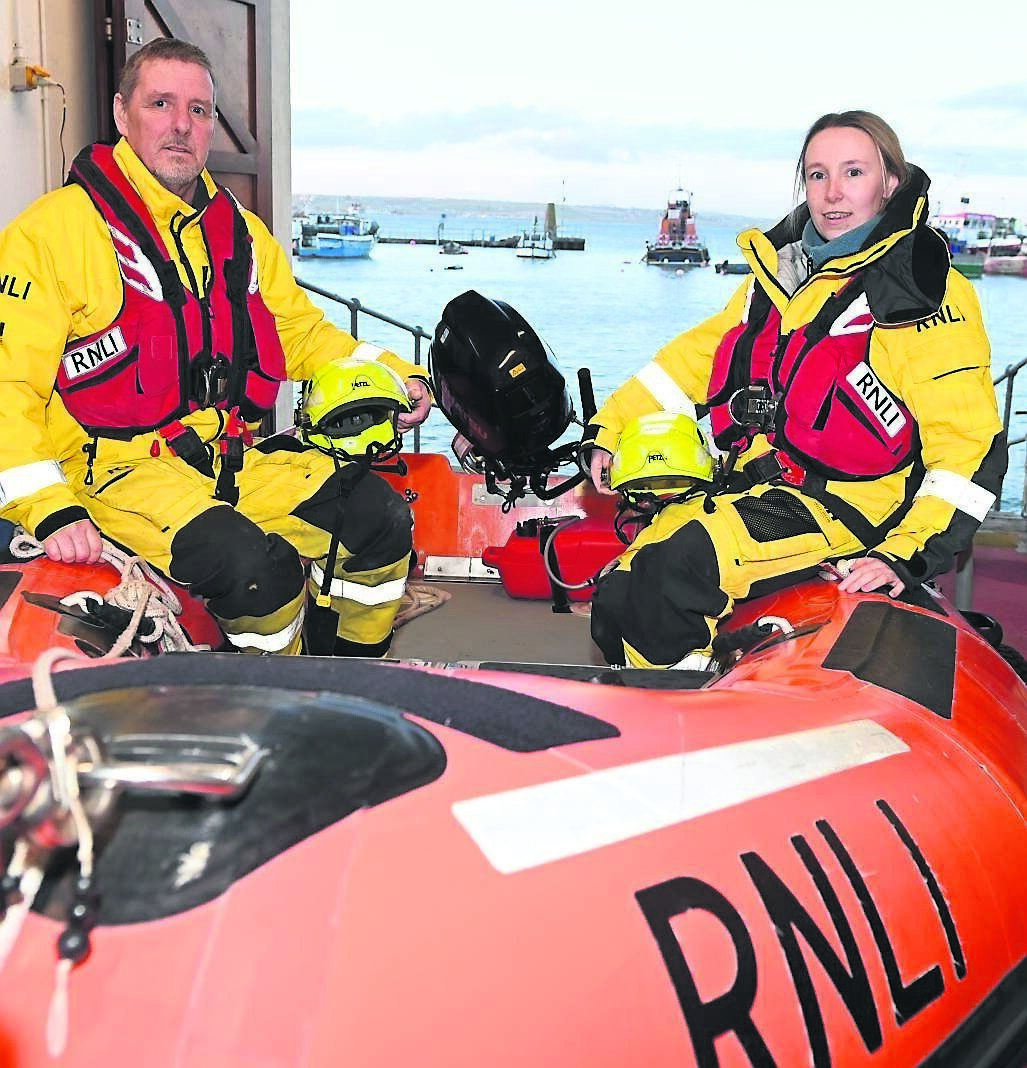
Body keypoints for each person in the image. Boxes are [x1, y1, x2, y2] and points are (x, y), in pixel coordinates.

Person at [0, 37, 432, 656]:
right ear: (122, 115)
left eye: (199, 110)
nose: (181, 125)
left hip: (225, 457)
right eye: (161, 104)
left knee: (380, 518)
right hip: (114, 474)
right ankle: (273, 709)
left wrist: (395, 376)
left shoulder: (241, 234)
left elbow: (301, 333)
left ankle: (352, 672)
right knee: (263, 576)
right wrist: (48, 509)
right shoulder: (51, 234)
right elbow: (6, 386)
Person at [585, 110, 1006, 670]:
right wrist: (609, 430)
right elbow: (687, 364)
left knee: (673, 576)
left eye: (853, 173)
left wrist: (905, 555)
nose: (833, 193)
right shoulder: (779, 276)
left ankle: (692, 728)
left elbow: (969, 448)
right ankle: (668, 706)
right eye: (817, 175)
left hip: (854, 508)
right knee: (619, 593)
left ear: (891, 183)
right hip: (758, 484)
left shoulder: (921, 294)